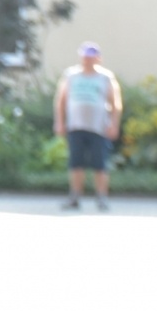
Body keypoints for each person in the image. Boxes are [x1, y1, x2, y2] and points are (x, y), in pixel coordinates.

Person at [54, 41, 122, 210]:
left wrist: (114, 124)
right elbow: (61, 101)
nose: (87, 60)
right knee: (76, 163)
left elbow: (115, 103)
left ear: (98, 59)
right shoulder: (71, 75)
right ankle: (74, 197)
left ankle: (102, 198)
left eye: (91, 57)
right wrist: (60, 122)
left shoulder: (106, 77)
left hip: (98, 127)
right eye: (85, 57)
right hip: (76, 126)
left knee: (100, 164)